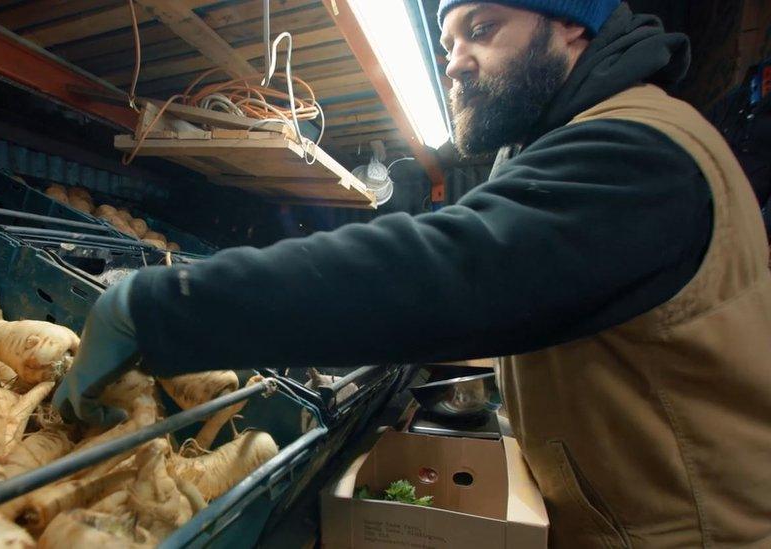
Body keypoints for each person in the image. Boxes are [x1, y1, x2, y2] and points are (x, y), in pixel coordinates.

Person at [54, 1, 771, 546]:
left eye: (483, 30)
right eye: (447, 42)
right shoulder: (595, 140)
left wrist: (157, 303)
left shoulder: (639, 152)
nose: (455, 60)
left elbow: (445, 267)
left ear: (570, 28)